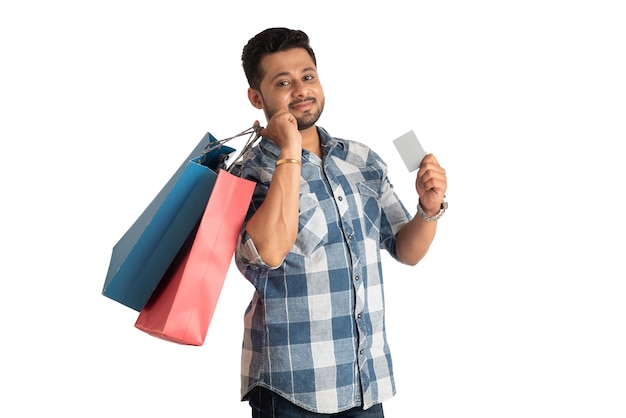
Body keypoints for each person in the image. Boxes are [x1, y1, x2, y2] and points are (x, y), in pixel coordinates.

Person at [231, 27, 448, 417]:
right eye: (283, 82)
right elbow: (269, 252)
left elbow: (407, 249)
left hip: (364, 383)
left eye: (307, 76)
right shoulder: (248, 173)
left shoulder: (361, 161)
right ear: (256, 97)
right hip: (292, 388)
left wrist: (428, 208)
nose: (300, 89)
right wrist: (290, 150)